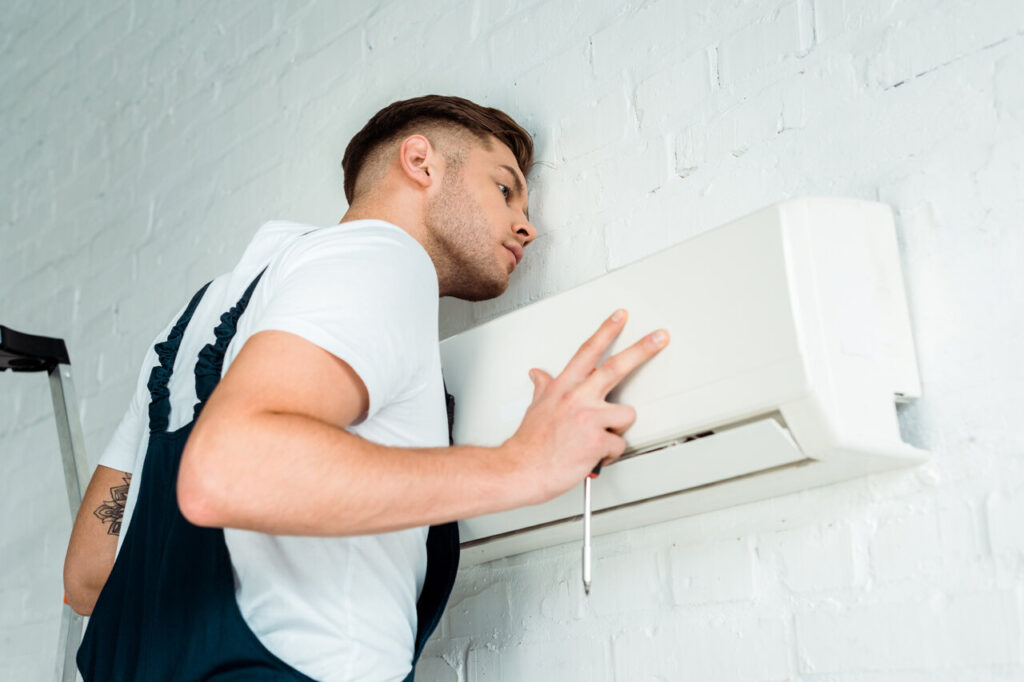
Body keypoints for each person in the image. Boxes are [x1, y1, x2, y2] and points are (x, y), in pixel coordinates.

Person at [62, 94, 669, 681]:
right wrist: (522, 464)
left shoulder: (199, 318)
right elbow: (227, 471)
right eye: (505, 188)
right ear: (420, 162)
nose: (526, 226)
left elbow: (88, 576)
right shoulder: (382, 256)